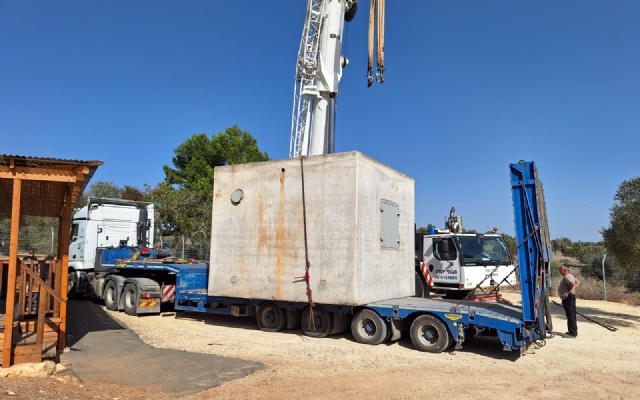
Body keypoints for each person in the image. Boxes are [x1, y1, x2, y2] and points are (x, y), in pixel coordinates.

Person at [558, 265, 580, 337]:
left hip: (569, 298)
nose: (560, 272)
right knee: (570, 314)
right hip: (568, 298)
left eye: (560, 270)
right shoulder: (570, 276)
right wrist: (573, 288)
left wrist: (570, 290)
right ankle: (571, 331)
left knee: (571, 315)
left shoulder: (567, 276)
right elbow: (577, 282)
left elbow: (572, 283)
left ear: (564, 270)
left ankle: (572, 333)